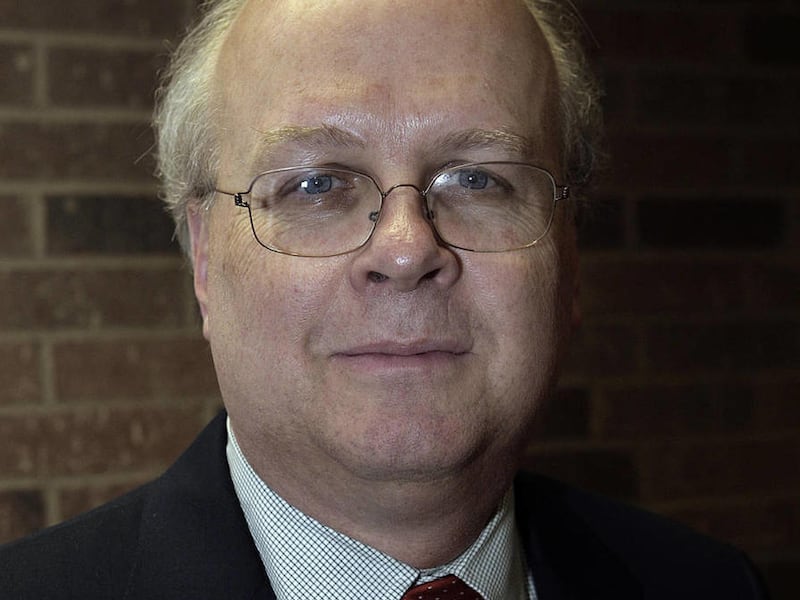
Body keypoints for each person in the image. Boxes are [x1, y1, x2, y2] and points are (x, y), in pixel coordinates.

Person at [0, 0, 769, 598]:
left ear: (568, 257)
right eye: (316, 184)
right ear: (204, 259)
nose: (406, 250)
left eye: (479, 179)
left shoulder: (709, 586)